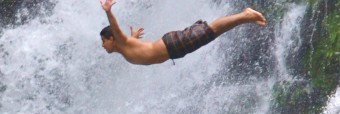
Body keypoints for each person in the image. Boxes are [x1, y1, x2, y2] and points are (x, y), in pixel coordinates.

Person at [99, 1, 266, 65]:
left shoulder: (121, 41)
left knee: (210, 31)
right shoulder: (124, 45)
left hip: (172, 45)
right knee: (210, 33)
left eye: (103, 41)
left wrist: (108, 11)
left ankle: (245, 15)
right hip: (172, 47)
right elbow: (132, 44)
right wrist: (134, 37)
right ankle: (244, 16)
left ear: (112, 39)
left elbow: (116, 28)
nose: (103, 45)